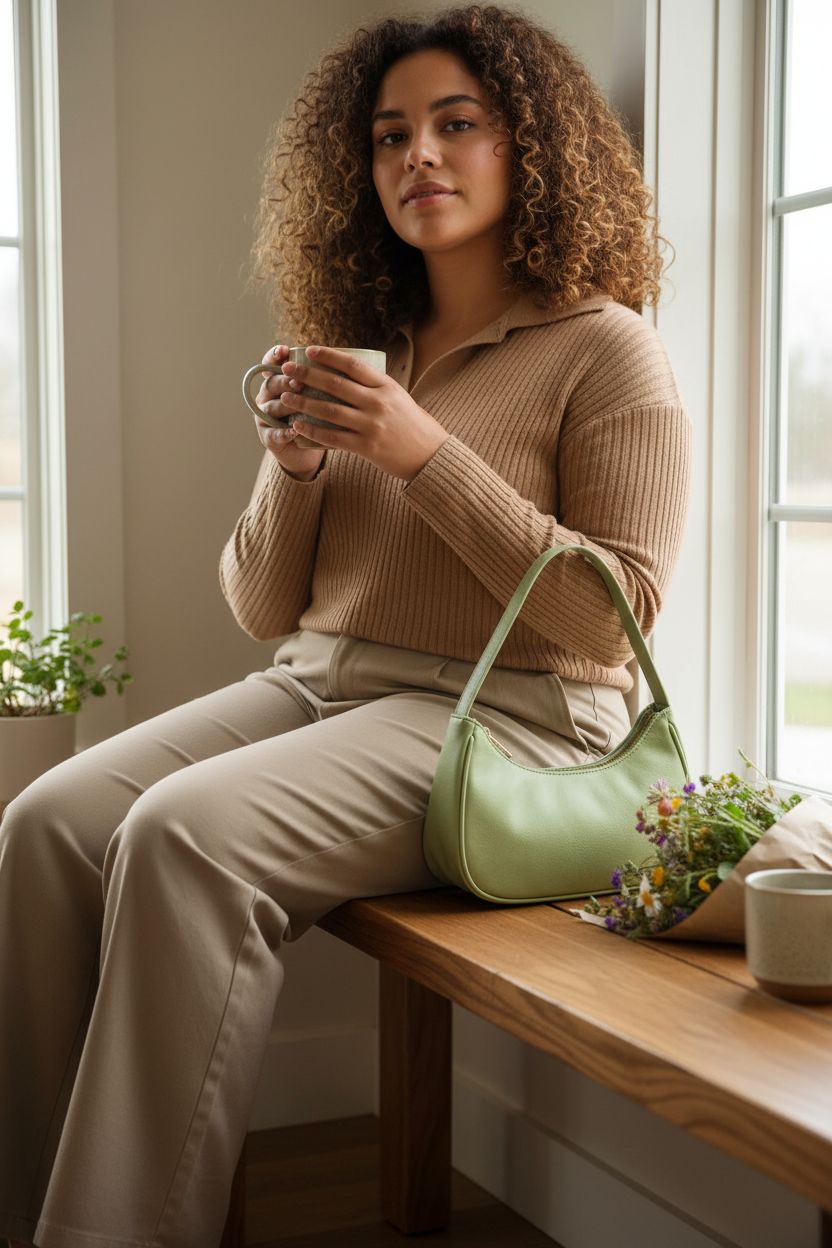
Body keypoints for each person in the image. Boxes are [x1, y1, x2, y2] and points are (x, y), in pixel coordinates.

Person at [0, 5, 692, 1246]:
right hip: (322, 683)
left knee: (183, 841)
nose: (416, 156)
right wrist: (298, 463)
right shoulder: (375, 352)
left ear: (531, 147)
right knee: (46, 825)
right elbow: (268, 611)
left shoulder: (608, 351)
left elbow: (607, 620)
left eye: (456, 124)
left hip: (513, 717)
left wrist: (423, 454)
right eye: (388, 136)